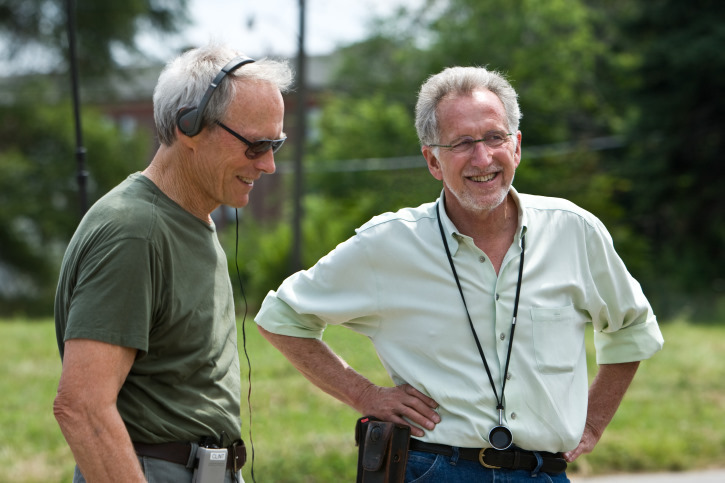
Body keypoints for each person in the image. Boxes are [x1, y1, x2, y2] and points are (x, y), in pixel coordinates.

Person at [254, 66, 664, 482]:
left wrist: (592, 423)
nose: (483, 158)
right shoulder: (388, 244)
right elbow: (282, 319)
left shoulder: (574, 231)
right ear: (433, 160)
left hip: (545, 473)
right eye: (463, 143)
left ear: (516, 146)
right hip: (435, 469)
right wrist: (364, 393)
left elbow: (631, 327)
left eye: (494, 137)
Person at [53, 43, 292, 483]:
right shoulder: (135, 231)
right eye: (256, 146)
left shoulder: (191, 219)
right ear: (189, 126)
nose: (270, 165)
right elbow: (82, 407)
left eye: (275, 144)